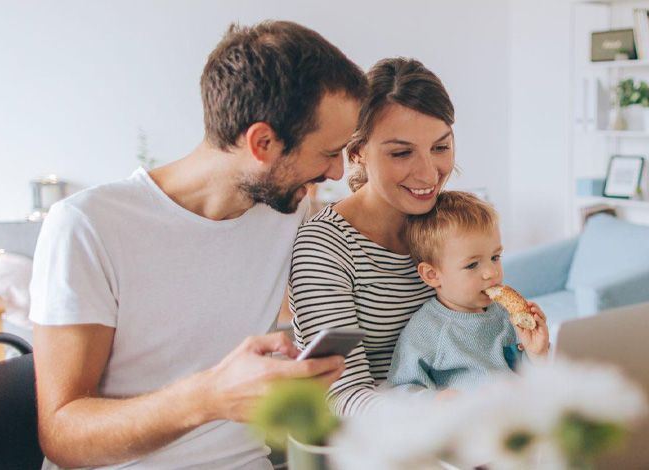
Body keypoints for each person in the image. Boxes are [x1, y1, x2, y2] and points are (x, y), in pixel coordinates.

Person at [29, 21, 365, 469]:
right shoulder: (88, 226)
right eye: (328, 152)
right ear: (262, 142)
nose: (337, 172)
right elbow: (62, 435)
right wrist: (208, 396)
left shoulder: (286, 211)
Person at [288, 57, 454, 416]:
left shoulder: (451, 223)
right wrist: (435, 412)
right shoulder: (325, 247)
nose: (429, 174)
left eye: (440, 148)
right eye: (401, 152)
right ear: (357, 151)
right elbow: (343, 395)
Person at [386, 191, 550, 395]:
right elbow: (399, 390)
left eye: (495, 257)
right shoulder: (426, 330)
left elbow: (527, 376)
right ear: (432, 274)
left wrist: (537, 354)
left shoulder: (505, 315)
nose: (492, 272)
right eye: (472, 265)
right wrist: (433, 401)